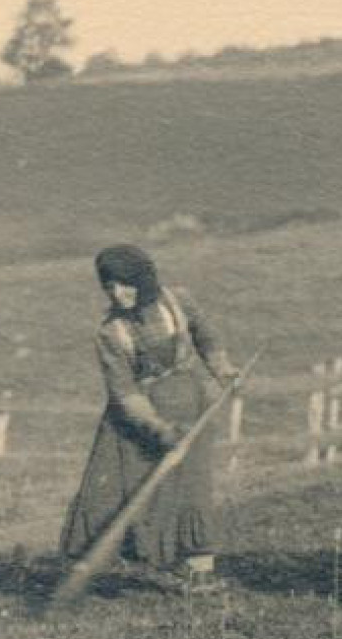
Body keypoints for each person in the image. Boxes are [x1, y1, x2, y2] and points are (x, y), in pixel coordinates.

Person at [60, 245, 240, 592]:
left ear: (143, 281)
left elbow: (207, 338)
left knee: (191, 485)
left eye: (124, 284)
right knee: (118, 492)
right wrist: (159, 429)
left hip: (191, 405)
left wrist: (223, 370)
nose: (116, 293)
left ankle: (198, 571)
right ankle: (96, 573)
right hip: (136, 424)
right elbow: (126, 395)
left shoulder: (179, 302)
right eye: (109, 286)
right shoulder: (110, 334)